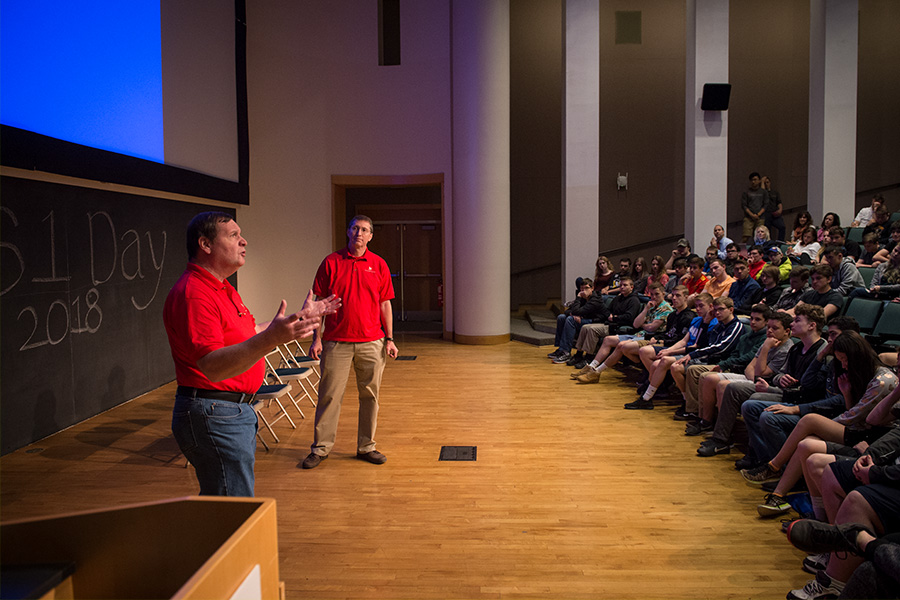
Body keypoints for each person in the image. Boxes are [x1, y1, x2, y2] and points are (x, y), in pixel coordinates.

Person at [163, 211, 340, 495]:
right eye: (233, 236)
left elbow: (251, 332)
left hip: (229, 411)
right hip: (215, 413)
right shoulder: (194, 293)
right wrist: (273, 339)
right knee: (233, 511)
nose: (243, 241)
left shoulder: (221, 288)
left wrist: (298, 319)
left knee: (230, 504)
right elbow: (212, 366)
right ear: (205, 244)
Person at [303, 215, 399, 469]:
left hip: (372, 342)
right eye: (355, 228)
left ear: (370, 236)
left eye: (364, 230)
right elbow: (318, 305)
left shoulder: (378, 264)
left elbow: (385, 304)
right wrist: (317, 339)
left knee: (370, 397)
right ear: (348, 232)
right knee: (329, 397)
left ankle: (367, 446)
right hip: (336, 343)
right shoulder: (331, 263)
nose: (359, 233)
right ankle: (321, 448)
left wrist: (389, 339)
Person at [696, 310, 794, 457]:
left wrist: (766, 348)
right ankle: (715, 431)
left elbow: (761, 372)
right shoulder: (769, 340)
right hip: (754, 380)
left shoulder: (784, 348)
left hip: (770, 387)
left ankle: (723, 438)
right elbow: (751, 367)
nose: (770, 331)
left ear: (787, 331)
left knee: (729, 386)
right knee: (717, 381)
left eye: (775, 328)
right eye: (769, 327)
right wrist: (753, 377)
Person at [577, 285, 694, 388]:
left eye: (657, 294)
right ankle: (592, 368)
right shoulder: (659, 309)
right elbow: (635, 324)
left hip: (650, 337)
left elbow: (652, 328)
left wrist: (653, 334)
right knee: (608, 339)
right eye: (651, 294)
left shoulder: (668, 310)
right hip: (641, 334)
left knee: (623, 346)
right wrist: (646, 309)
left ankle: (597, 372)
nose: (674, 298)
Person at [626, 292, 715, 410]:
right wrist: (669, 350)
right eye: (696, 306)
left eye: (701, 306)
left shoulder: (713, 323)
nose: (697, 309)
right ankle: (651, 395)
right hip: (685, 351)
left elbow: (697, 346)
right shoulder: (696, 320)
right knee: (655, 364)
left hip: (697, 355)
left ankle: (649, 397)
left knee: (663, 361)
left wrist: (670, 352)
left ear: (711, 307)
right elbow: (684, 341)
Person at [669, 296, 746, 422]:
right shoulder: (718, 325)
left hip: (723, 363)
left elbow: (721, 348)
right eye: (715, 310)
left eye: (721, 309)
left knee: (692, 370)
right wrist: (706, 322)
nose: (717, 313)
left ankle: (695, 411)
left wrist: (692, 355)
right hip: (709, 359)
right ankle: (690, 406)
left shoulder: (736, 326)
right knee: (676, 367)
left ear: (731, 310)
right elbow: (703, 344)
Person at [547, 278, 610, 364]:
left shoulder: (595, 300)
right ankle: (561, 349)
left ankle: (566, 352)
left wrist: (578, 298)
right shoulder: (583, 298)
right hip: (585, 319)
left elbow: (577, 311)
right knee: (561, 317)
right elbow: (567, 311)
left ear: (592, 288)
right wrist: (574, 313)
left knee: (570, 320)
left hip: (596, 322)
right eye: (581, 289)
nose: (583, 291)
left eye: (586, 288)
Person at [741, 172, 768, 243]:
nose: (753, 182)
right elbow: (744, 205)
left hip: (760, 217)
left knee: (760, 236)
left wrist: (758, 214)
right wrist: (752, 215)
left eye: (755, 180)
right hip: (748, 217)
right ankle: (741, 251)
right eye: (752, 180)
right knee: (745, 236)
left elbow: (765, 205)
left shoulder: (763, 192)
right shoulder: (746, 192)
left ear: (759, 181)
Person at [762, 176, 786, 242]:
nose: (766, 184)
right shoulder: (762, 193)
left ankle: (780, 241)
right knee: (767, 230)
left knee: (782, 227)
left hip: (775, 213)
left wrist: (780, 210)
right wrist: (762, 183)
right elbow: (763, 193)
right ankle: (768, 243)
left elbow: (779, 202)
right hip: (766, 213)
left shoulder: (775, 192)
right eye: (764, 183)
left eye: (767, 182)